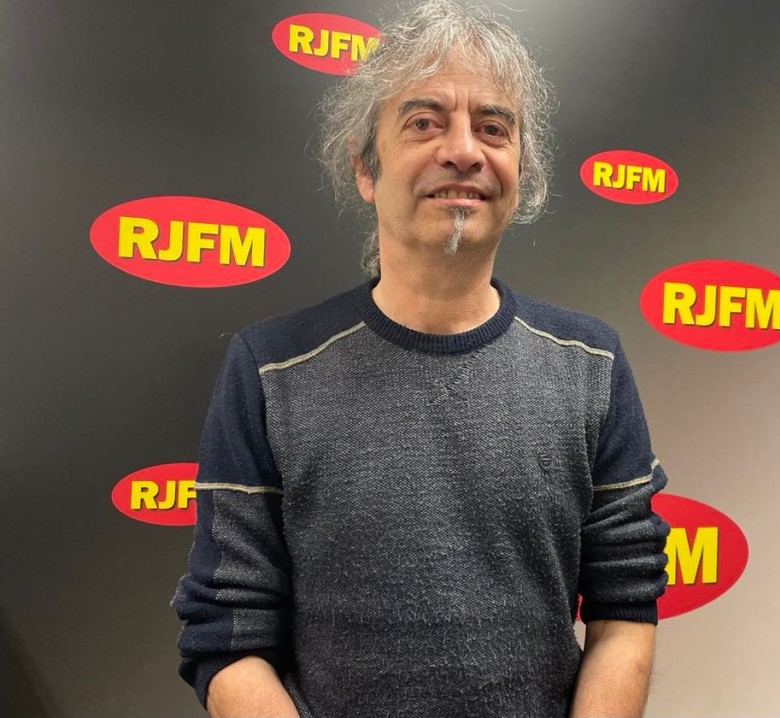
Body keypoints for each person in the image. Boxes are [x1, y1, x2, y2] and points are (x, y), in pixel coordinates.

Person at [172, 1, 670, 716]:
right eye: (423, 122)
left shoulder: (591, 364)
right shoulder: (269, 370)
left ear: (521, 170)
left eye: (492, 128)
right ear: (365, 168)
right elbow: (226, 633)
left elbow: (625, 608)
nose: (463, 151)